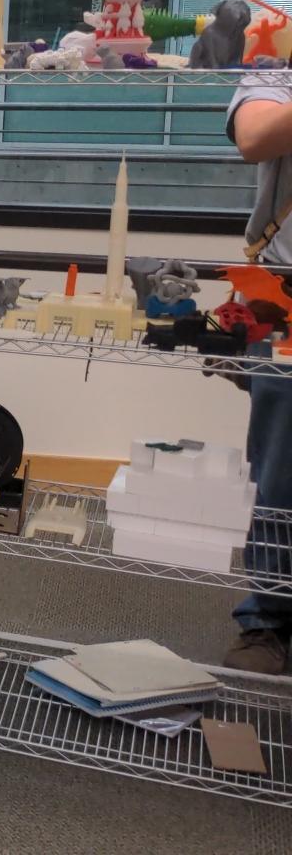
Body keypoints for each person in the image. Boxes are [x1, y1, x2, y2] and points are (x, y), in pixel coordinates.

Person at [222, 75, 292, 673]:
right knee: (282, 474)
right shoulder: (275, 72)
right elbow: (256, 136)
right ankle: (268, 620)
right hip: (287, 297)